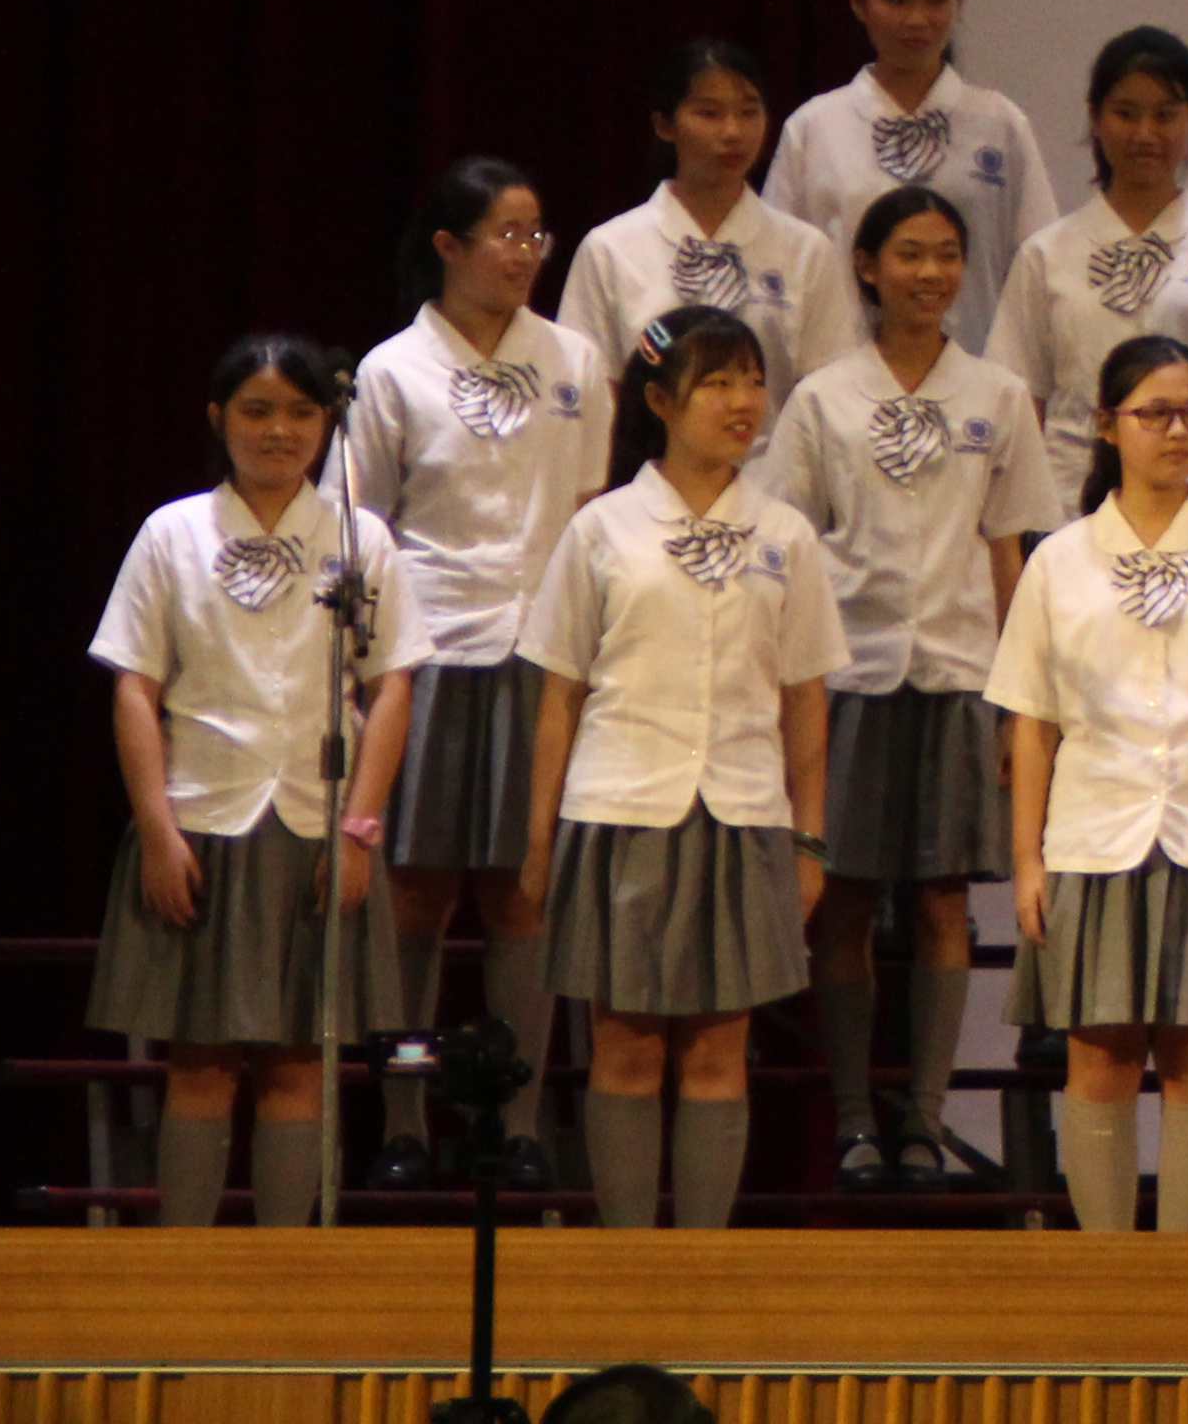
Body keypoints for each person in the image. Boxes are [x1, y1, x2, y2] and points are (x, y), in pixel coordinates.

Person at [753, 185, 1054, 1188]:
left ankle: (924, 1120)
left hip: (961, 673)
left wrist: (1015, 702)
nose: (931, 274)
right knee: (843, 902)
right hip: (852, 673)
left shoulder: (997, 396)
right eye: (910, 254)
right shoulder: (823, 397)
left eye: (947, 254)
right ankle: (852, 1118)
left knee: (942, 903)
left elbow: (1008, 551)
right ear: (868, 267)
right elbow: (788, 543)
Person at [88, 332, 423, 1226]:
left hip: (318, 826)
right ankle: (186, 1272)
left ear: (328, 423)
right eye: (258, 410)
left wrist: (360, 832)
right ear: (218, 418)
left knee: (298, 1065)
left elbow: (392, 687)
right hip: (201, 823)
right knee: (199, 1063)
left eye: (302, 412)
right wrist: (156, 830)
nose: (280, 430)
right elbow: (135, 687)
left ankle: (285, 1273)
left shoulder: (360, 537)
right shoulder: (172, 533)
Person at [520, 307, 843, 1229]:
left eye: (754, 381)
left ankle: (699, 1265)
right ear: (660, 402)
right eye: (718, 383)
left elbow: (805, 700)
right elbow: (560, 694)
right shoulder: (602, 529)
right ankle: (629, 1264)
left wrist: (809, 839)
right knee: (625, 1049)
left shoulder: (785, 534)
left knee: (717, 1053)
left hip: (743, 815)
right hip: (621, 809)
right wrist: (539, 844)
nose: (744, 402)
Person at [991, 336, 1188, 1235]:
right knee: (1099, 1058)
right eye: (1155, 414)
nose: (1178, 431)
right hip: (1093, 837)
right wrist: (1028, 863)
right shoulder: (1060, 560)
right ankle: (1106, 1274)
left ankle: (1183, 1272)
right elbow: (1032, 721)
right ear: (1107, 426)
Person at [359, 157, 606, 1189]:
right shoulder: (392, 370)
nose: (524, 254)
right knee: (415, 898)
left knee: (522, 896)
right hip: (428, 651)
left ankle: (517, 1119)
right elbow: (363, 528)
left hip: (539, 651)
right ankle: (404, 1117)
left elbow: (589, 514)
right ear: (449, 247)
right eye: (505, 234)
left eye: (536, 234)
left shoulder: (575, 359)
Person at [995, 27, 1188, 522]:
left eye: (1165, 115)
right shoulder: (1045, 256)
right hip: (1072, 511)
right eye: (1126, 113)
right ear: (1095, 119)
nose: (1145, 134)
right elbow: (1024, 408)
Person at [764, 0, 1062, 352]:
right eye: (897, 0)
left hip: (974, 372)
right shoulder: (815, 127)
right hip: (841, 376)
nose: (917, 20)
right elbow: (779, 268)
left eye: (936, 1)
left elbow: (1036, 267)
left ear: (959, 1)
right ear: (858, 1)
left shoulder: (1000, 125)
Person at [564, 39, 855, 399]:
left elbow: (828, 390)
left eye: (748, 112)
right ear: (664, 125)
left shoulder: (806, 250)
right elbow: (591, 390)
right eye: (709, 114)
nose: (733, 132)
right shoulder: (610, 249)